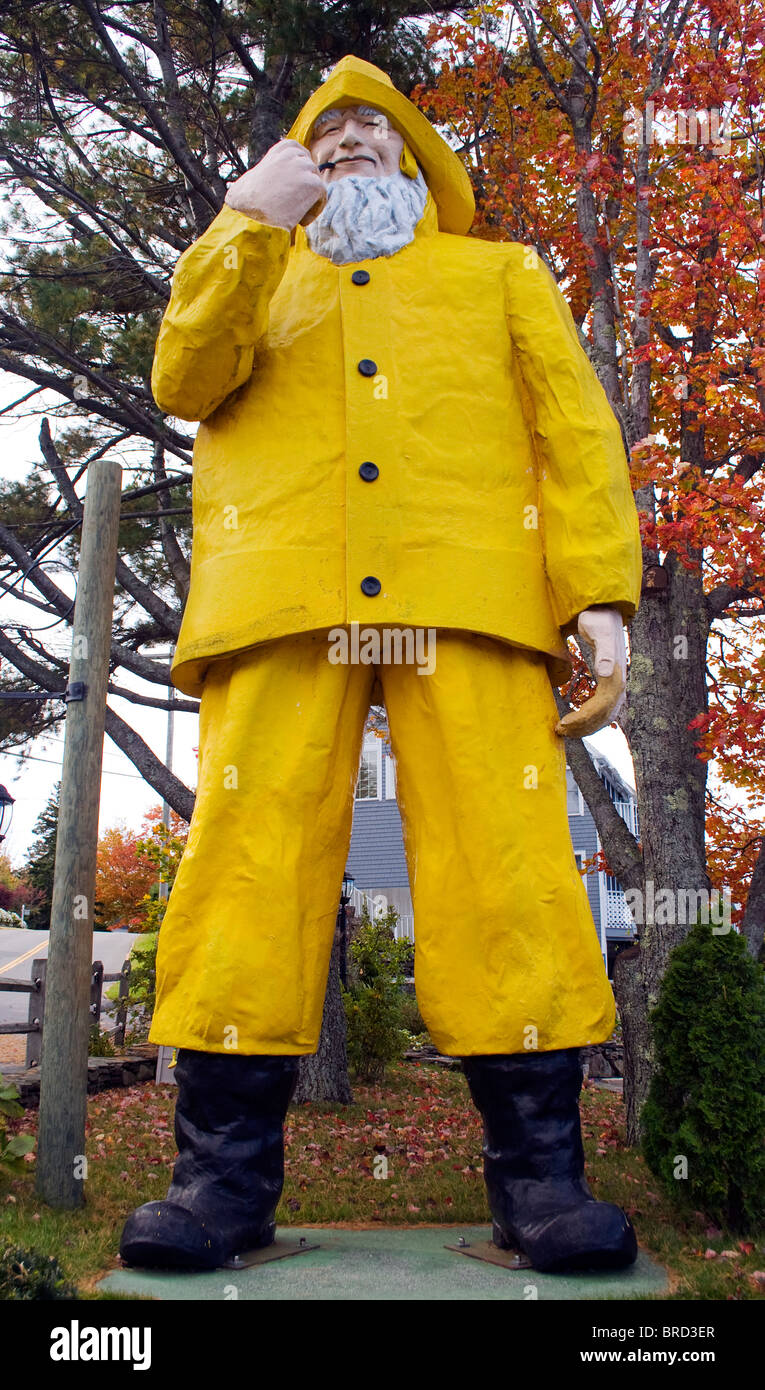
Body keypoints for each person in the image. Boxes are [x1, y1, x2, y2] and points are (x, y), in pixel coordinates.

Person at [120, 56, 642, 1274]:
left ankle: (543, 1190)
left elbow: (574, 427)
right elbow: (182, 377)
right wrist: (247, 219)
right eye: (327, 128)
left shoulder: (500, 272)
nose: (349, 138)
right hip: (285, 598)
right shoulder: (254, 270)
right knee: (247, 862)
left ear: (416, 157)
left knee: (506, 862)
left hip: (469, 592)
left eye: (374, 126)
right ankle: (219, 1185)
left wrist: (598, 591)